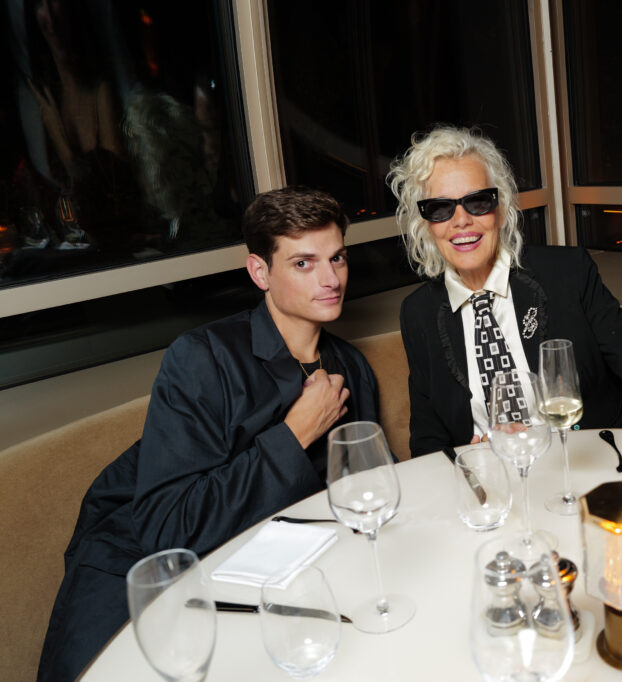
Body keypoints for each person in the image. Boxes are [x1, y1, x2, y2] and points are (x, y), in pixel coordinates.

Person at [37, 186, 379, 681]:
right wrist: (293, 434)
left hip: (273, 575)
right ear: (260, 272)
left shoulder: (351, 366)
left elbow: (367, 486)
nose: (330, 279)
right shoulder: (202, 358)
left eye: (337, 258)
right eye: (303, 263)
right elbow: (168, 527)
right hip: (144, 573)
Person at [388, 126, 622, 457]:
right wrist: (468, 464)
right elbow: (428, 444)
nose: (460, 220)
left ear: (500, 208)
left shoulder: (568, 273)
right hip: (494, 482)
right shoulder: (418, 313)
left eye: (477, 201)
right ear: (425, 223)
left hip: (592, 466)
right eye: (440, 208)